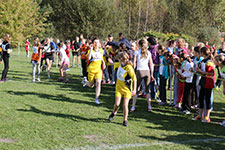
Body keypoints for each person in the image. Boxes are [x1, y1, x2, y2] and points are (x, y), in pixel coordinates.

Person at [108, 52, 136, 127]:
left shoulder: (129, 68)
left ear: (121, 59)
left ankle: (125, 120)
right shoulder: (119, 65)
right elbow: (113, 64)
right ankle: (114, 112)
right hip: (119, 88)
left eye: (119, 58)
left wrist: (134, 90)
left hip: (127, 89)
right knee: (117, 104)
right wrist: (110, 61)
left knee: (125, 105)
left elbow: (134, 79)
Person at [130, 39, 154, 112]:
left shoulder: (136, 52)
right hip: (147, 71)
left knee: (136, 89)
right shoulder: (148, 53)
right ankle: (149, 106)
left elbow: (134, 63)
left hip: (139, 71)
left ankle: (133, 106)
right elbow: (151, 64)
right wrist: (152, 74)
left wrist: (133, 72)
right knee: (147, 90)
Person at [195, 47, 216, 123]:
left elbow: (211, 73)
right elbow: (202, 71)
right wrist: (198, 71)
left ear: (202, 53)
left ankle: (207, 116)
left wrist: (201, 72)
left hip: (208, 82)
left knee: (207, 99)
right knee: (201, 97)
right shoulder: (203, 61)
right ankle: (200, 115)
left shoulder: (209, 62)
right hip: (203, 81)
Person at [82, 38, 105, 104]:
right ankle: (86, 82)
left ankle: (96, 99)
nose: (96, 43)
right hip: (91, 69)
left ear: (99, 43)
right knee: (91, 85)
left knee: (98, 83)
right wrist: (91, 49)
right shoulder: (90, 51)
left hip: (98, 70)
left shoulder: (101, 50)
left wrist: (104, 63)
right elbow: (88, 58)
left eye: (97, 42)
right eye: (95, 42)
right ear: (93, 43)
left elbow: (101, 57)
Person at [147, 36, 159, 100]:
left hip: (157, 68)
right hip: (150, 68)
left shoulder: (157, 48)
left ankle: (159, 95)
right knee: (151, 82)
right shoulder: (148, 49)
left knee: (157, 82)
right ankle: (152, 95)